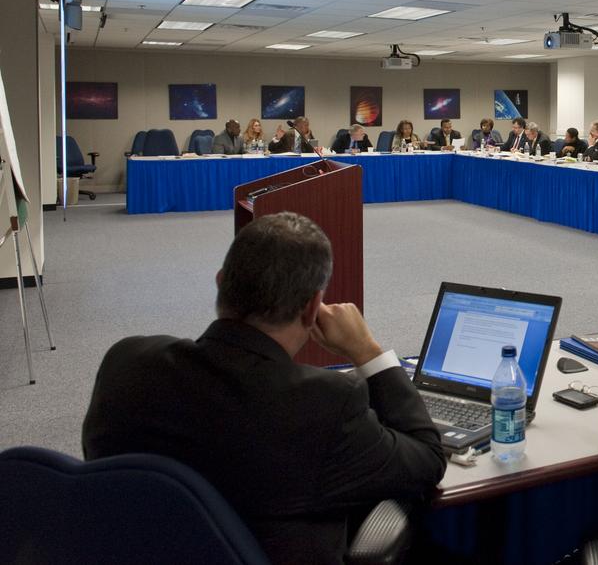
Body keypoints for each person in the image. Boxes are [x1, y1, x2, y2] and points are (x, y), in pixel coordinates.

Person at [82, 212, 447, 565]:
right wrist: (366, 351)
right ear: (312, 309)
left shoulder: (126, 362)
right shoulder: (322, 403)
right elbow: (427, 460)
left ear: (221, 281)